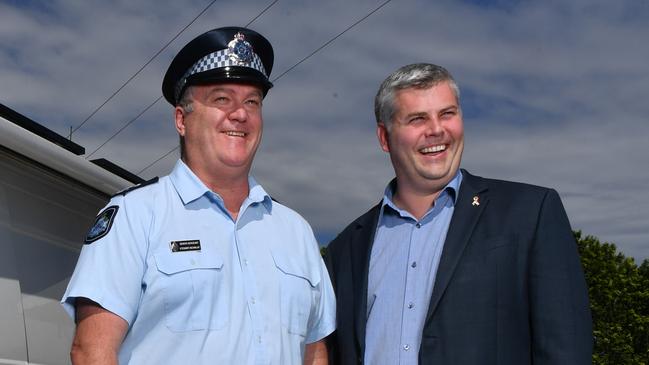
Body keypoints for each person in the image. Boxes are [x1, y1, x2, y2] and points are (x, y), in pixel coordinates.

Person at [62, 26, 335, 364]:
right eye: (222, 99)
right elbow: (92, 351)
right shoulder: (137, 215)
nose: (240, 113)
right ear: (181, 119)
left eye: (252, 101)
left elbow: (314, 352)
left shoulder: (297, 232)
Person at [324, 63, 592, 364]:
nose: (436, 129)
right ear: (385, 138)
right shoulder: (345, 249)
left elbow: (566, 350)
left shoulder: (531, 213)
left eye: (447, 114)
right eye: (417, 119)